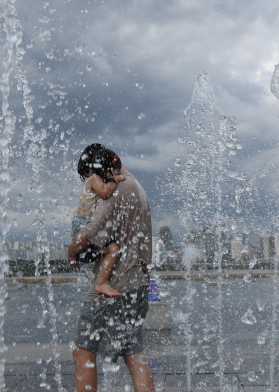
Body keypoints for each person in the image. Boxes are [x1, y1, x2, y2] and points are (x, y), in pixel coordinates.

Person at [68, 145, 155, 392]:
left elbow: (90, 231)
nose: (93, 181)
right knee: (135, 356)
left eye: (93, 174)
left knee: (83, 353)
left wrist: (71, 252)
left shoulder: (119, 189)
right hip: (137, 284)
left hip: (112, 288)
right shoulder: (138, 186)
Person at [71, 144, 125, 297]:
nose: (114, 174)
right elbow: (105, 193)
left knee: (104, 252)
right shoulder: (94, 179)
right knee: (113, 250)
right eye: (112, 171)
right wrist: (114, 180)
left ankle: (99, 276)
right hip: (84, 227)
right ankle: (102, 283)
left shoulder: (95, 179)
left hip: (85, 227)